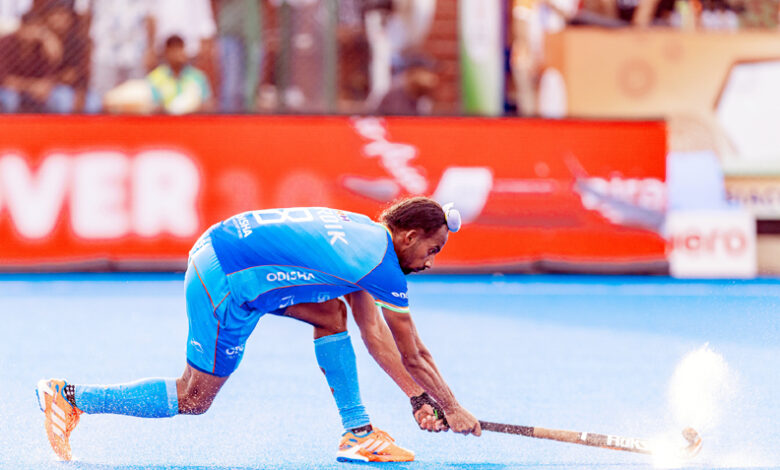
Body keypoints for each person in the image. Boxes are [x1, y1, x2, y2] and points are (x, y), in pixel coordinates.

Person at [36, 197, 482, 463]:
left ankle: (358, 435)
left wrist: (419, 399)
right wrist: (450, 406)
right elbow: (412, 353)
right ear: (409, 236)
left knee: (331, 315)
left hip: (226, 253)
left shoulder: (367, 234)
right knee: (193, 398)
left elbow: (373, 334)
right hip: (227, 279)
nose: (431, 261)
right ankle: (71, 397)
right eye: (433, 248)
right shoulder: (380, 265)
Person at [146, 34, 213, 114]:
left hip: (192, 119)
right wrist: (170, 110)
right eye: (173, 50)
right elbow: (152, 107)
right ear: (166, 52)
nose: (177, 53)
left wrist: (193, 108)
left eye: (180, 48)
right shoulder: (155, 78)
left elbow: (208, 105)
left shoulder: (198, 77)